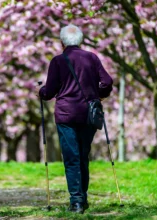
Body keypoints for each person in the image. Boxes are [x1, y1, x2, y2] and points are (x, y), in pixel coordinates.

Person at [38, 24, 113, 214]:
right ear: (80, 40)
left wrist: (42, 92)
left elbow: (50, 91)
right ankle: (83, 198)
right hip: (88, 115)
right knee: (83, 156)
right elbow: (108, 81)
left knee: (71, 158)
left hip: (66, 115)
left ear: (62, 42)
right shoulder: (92, 58)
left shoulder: (58, 61)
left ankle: (77, 201)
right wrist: (99, 94)